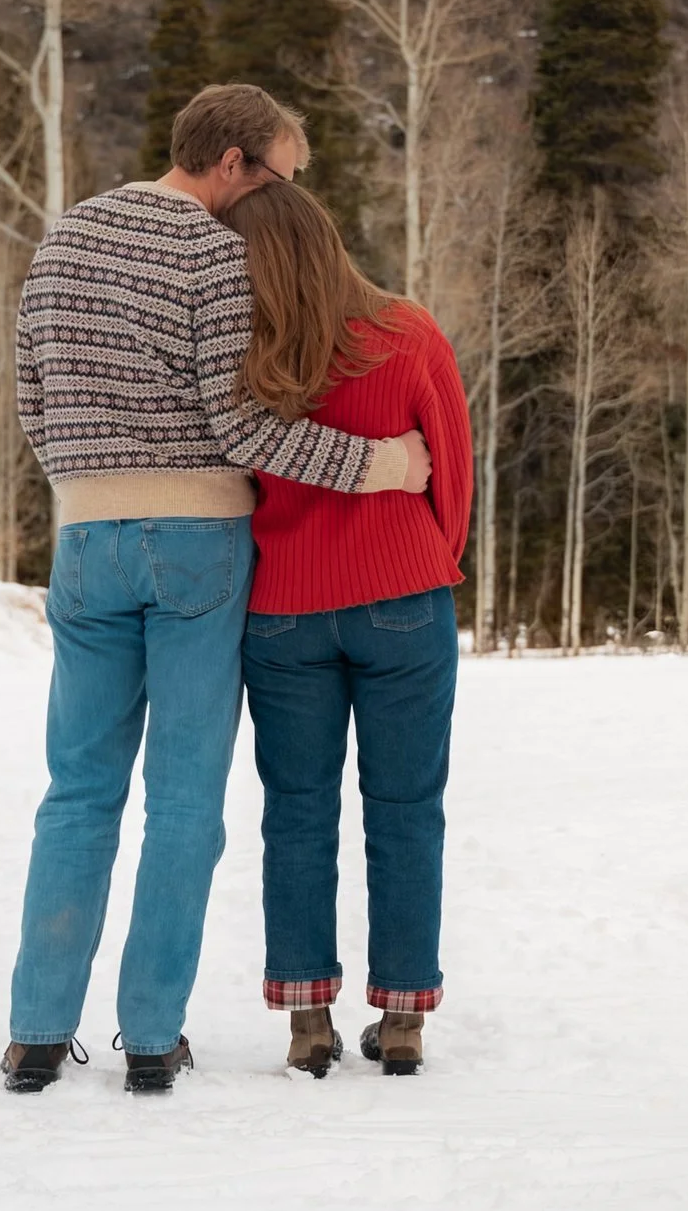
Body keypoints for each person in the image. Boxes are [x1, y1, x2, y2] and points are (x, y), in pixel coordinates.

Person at [0, 85, 432, 1097]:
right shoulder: (211, 253)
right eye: (281, 175)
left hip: (82, 533)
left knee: (76, 790)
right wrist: (385, 466)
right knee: (185, 796)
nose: (284, 199)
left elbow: (27, 395)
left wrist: (88, 486)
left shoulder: (64, 237)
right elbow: (245, 432)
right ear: (235, 162)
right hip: (197, 540)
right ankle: (150, 1036)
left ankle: (33, 1031)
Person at [217, 180, 473, 1078]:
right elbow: (453, 472)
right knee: (407, 810)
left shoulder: (245, 355)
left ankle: (307, 1019)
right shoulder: (408, 333)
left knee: (296, 812)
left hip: (284, 607)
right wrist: (421, 560)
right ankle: (401, 1020)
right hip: (402, 596)